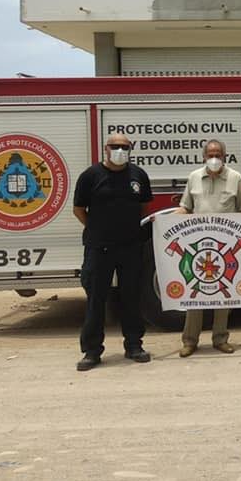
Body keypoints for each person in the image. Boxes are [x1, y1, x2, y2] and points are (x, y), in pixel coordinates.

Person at [178, 139, 241, 357]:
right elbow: (185, 208)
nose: (214, 158)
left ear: (225, 156)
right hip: (198, 246)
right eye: (210, 154)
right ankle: (190, 341)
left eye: (218, 154)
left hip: (224, 247)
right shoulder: (194, 177)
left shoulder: (235, 178)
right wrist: (160, 221)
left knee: (223, 294)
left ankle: (220, 338)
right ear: (203, 156)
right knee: (196, 292)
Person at [73, 133, 153, 371]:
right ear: (105, 149)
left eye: (124, 147)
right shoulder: (90, 176)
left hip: (130, 246)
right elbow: (78, 209)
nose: (120, 150)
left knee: (131, 297)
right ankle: (92, 351)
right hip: (99, 248)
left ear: (131, 149)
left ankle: (134, 346)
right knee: (96, 300)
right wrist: (97, 229)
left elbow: (144, 206)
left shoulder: (138, 175)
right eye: (115, 146)